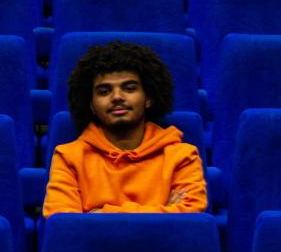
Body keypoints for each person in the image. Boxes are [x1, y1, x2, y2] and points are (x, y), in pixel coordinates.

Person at [43, 40, 206, 216]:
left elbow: (192, 215)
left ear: (148, 98)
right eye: (104, 91)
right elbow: (63, 222)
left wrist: (100, 213)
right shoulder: (69, 157)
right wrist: (165, 212)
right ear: (91, 105)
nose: (117, 97)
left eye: (129, 88)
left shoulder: (182, 156)